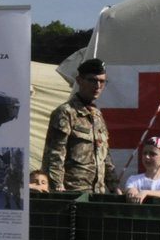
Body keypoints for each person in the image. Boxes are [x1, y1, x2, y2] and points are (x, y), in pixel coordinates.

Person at [42, 58, 116, 193]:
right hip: (72, 191)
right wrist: (57, 188)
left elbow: (104, 156)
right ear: (79, 80)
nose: (98, 86)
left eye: (102, 81)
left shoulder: (97, 115)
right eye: (92, 80)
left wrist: (114, 186)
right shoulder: (65, 112)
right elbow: (54, 155)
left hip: (96, 193)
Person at [122, 135, 160, 203]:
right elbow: (130, 188)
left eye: (152, 154)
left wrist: (145, 193)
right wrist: (130, 190)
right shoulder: (133, 179)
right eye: (144, 153)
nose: (147, 157)